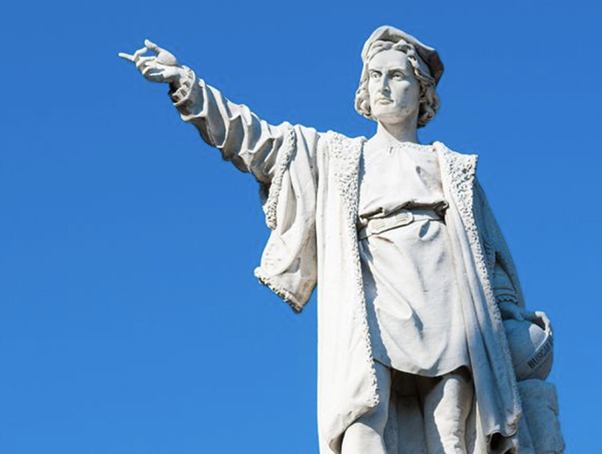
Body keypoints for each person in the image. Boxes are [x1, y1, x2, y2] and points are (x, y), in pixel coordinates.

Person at [120, 26, 562, 454]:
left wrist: (508, 317)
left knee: (451, 425)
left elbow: (491, 257)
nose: (385, 86)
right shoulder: (335, 157)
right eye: (376, 77)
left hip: (446, 299)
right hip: (371, 297)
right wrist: (187, 85)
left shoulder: (451, 167)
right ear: (364, 93)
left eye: (397, 76)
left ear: (421, 90)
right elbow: (252, 139)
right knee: (358, 417)